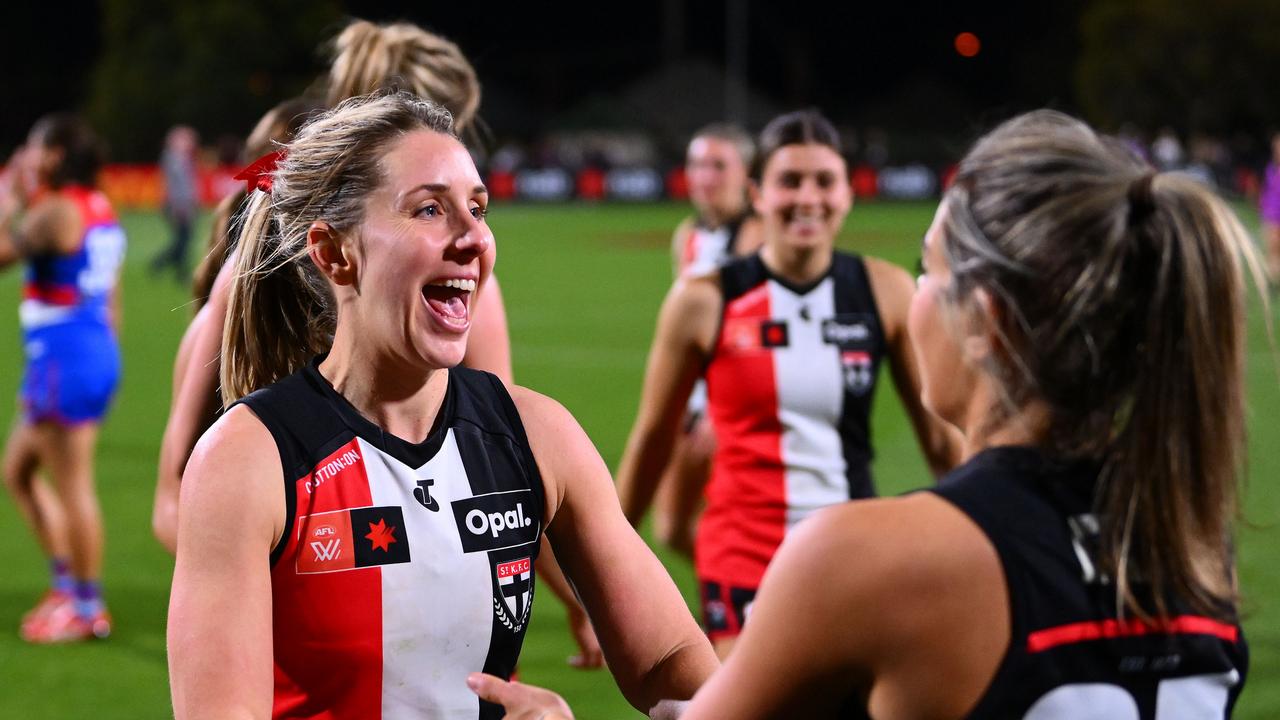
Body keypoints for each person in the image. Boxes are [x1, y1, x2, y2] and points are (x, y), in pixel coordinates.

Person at [474, 109, 1255, 718]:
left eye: (929, 270)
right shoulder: (1188, 541)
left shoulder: (864, 560)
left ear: (984, 320)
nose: (910, 292)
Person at [166, 92, 717, 720]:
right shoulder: (249, 459)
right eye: (429, 209)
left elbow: (669, 660)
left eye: (477, 209)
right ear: (334, 252)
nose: (473, 237)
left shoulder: (537, 435)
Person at [616, 109, 960, 658]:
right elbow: (654, 438)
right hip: (744, 556)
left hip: (851, 553)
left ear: (848, 192)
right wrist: (601, 570)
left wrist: (1001, 537)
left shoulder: (886, 291)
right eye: (789, 181)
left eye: (824, 181)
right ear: (758, 193)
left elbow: (943, 441)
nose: (808, 198)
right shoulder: (703, 299)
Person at [0, 114, 125, 642]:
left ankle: (86, 608)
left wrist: (7, 201)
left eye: (32, 146)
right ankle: (65, 585)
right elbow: (111, 301)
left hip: (64, 359)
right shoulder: (98, 209)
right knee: (18, 472)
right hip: (83, 353)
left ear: (52, 156)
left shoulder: (56, 211)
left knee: (72, 485)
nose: (25, 154)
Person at [652, 123, 763, 556]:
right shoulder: (688, 237)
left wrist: (721, 411)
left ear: (746, 176)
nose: (704, 176)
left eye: (719, 165)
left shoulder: (758, 238)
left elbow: (755, 337)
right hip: (693, 402)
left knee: (742, 525)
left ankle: (755, 609)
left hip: (735, 407)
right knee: (672, 527)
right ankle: (742, 603)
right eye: (697, 164)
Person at [151, 125, 199, 280]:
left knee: (184, 239)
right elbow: (175, 186)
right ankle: (161, 264)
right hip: (178, 205)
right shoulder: (172, 158)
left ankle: (177, 270)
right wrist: (179, 206)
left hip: (184, 204)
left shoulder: (183, 159)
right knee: (183, 240)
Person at [1260, 131, 1280, 284]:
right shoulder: (1271, 167)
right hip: (1271, 213)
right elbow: (1267, 190)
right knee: (1271, 248)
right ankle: (1271, 281)